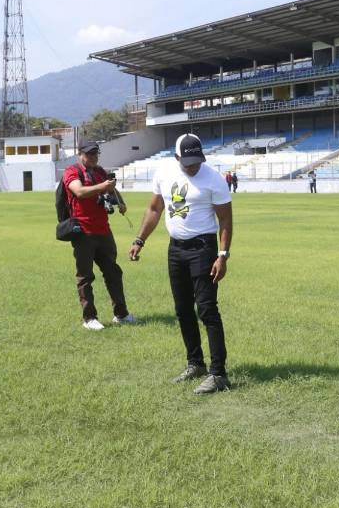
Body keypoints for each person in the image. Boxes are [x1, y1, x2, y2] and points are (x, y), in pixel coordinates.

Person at [129, 133, 233, 394]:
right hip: (175, 249)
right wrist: (140, 239)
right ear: (176, 157)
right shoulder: (163, 172)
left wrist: (222, 255)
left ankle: (218, 374)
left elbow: (226, 220)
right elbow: (155, 209)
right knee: (183, 309)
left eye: (197, 160)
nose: (193, 166)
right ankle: (195, 363)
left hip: (203, 248)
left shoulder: (213, 179)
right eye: (187, 162)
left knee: (207, 310)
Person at [62, 140, 135, 331]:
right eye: (89, 153)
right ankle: (89, 318)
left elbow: (110, 187)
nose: (93, 157)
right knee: (85, 276)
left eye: (96, 154)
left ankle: (121, 314)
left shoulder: (100, 171)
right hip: (83, 232)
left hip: (103, 230)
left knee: (113, 272)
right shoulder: (72, 171)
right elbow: (79, 191)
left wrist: (120, 201)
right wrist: (103, 186)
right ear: (80, 154)